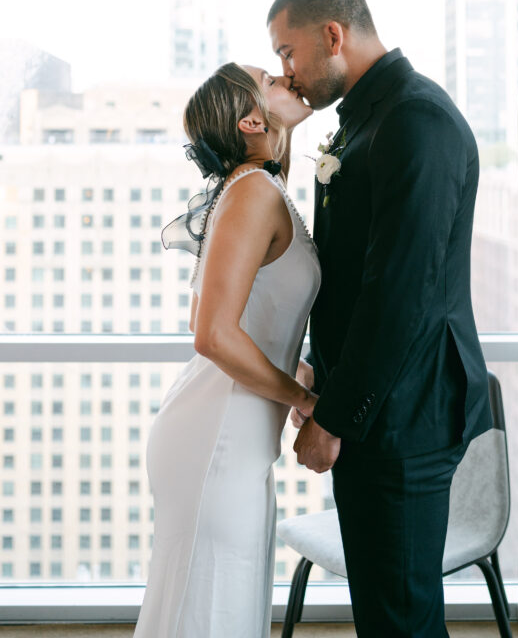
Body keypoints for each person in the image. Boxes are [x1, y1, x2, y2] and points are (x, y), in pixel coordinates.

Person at [268, 0, 493, 638]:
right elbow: (344, 274)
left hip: (408, 413)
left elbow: (400, 292)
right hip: (382, 408)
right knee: (388, 609)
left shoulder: (416, 121)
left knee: (398, 619)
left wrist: (335, 418)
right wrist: (315, 365)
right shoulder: (364, 122)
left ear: (332, 35)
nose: (286, 73)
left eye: (288, 52)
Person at [133, 62, 320, 638]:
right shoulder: (253, 193)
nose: (287, 78)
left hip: (230, 437)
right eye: (271, 78)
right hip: (218, 439)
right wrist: (302, 399)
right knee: (211, 613)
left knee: (221, 610)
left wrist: (298, 369)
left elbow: (225, 317)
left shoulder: (261, 188)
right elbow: (211, 334)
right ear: (250, 118)